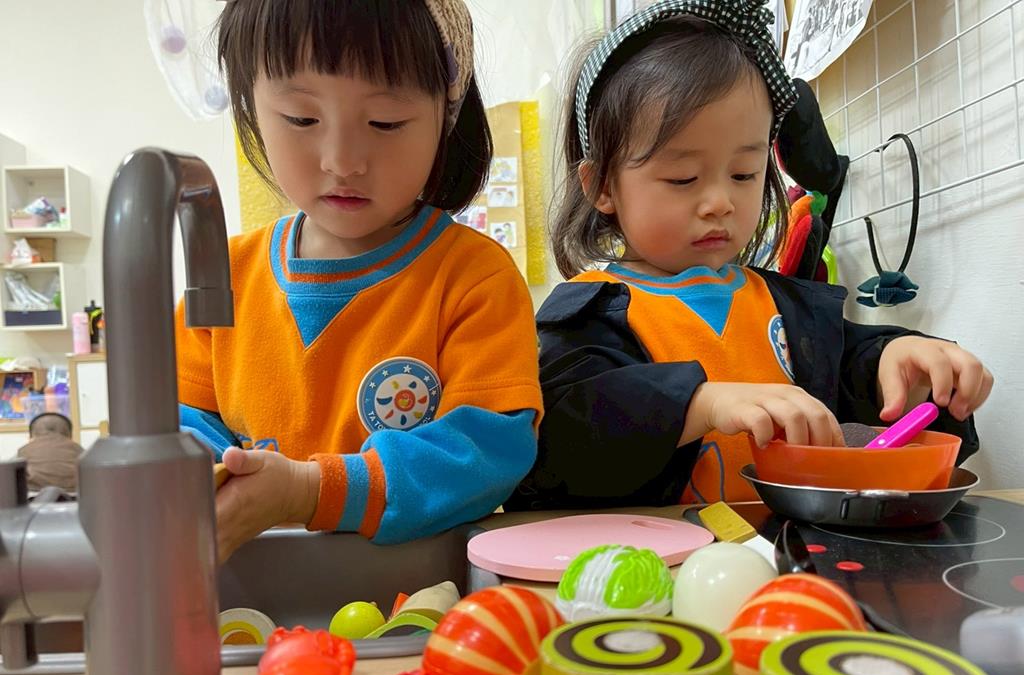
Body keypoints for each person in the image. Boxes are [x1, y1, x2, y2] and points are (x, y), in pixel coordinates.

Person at [506, 0, 991, 511]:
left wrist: (900, 362)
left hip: (785, 548)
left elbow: (852, 368)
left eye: (744, 174)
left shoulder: (787, 306)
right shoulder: (586, 314)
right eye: (683, 178)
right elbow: (561, 435)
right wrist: (701, 402)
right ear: (602, 185)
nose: (721, 202)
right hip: (653, 554)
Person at [176, 0, 542, 560]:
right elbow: (177, 420)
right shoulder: (223, 274)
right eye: (301, 118)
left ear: (444, 117)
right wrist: (217, 473)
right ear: (251, 105)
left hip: (417, 592)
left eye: (385, 122)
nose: (342, 161)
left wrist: (307, 491)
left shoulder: (473, 277)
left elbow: (487, 451)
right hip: (249, 581)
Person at [17, 412, 83, 493]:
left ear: (31, 435)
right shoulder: (77, 448)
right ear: (69, 434)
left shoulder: (24, 450)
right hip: (73, 493)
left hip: (34, 493)